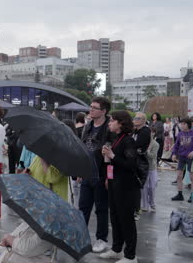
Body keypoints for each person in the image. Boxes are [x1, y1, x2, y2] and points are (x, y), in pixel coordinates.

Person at [100, 110, 139, 263]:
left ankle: (130, 256)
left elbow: (131, 164)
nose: (109, 123)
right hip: (114, 182)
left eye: (112, 120)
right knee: (115, 217)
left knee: (126, 219)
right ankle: (117, 249)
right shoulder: (117, 139)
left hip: (125, 186)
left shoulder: (128, 140)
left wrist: (112, 156)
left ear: (120, 123)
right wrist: (108, 175)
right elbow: (113, 163)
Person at [78, 97, 116, 253]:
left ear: (103, 111)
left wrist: (108, 177)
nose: (91, 109)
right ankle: (80, 237)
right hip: (87, 173)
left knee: (101, 208)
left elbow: (110, 155)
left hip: (101, 174)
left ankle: (101, 239)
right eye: (90, 106)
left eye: (94, 107)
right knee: (83, 208)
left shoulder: (109, 128)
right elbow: (82, 149)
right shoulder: (88, 126)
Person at [171, 117, 193, 201]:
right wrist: (174, 154)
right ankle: (180, 194)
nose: (182, 125)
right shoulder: (180, 134)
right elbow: (176, 145)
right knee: (179, 176)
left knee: (192, 177)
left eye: (184, 124)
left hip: (191, 158)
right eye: (181, 123)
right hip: (181, 157)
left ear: (188, 124)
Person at [132, 112, 151, 221]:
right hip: (134, 159)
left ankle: (136, 210)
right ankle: (133, 209)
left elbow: (137, 144)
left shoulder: (145, 131)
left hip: (140, 162)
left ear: (143, 120)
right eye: (135, 118)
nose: (135, 120)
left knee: (136, 186)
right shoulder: (136, 130)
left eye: (138, 118)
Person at [142, 127, 159, 212]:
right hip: (143, 167)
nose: (150, 134)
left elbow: (152, 156)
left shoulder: (155, 144)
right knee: (144, 187)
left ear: (154, 133)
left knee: (152, 187)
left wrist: (147, 151)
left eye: (152, 132)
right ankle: (144, 205)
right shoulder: (142, 142)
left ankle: (152, 204)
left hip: (152, 167)